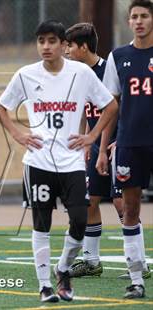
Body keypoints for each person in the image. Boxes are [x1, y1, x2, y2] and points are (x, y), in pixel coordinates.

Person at [0, 20, 118, 302]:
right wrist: (17, 133)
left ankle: (62, 267)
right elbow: (2, 107)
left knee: (78, 219)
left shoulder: (81, 73)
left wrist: (93, 137)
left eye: (52, 41)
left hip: (72, 162)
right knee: (42, 222)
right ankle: (44, 286)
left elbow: (110, 105)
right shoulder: (26, 75)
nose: (46, 47)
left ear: (64, 45)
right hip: (38, 161)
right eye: (41, 41)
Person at [65, 22, 151, 280]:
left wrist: (117, 139)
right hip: (95, 145)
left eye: (70, 45)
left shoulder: (108, 67)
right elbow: (82, 110)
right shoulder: (76, 74)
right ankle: (91, 261)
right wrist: (85, 142)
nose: (66, 50)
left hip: (119, 143)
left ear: (82, 46)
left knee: (122, 203)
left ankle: (139, 263)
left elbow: (122, 105)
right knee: (88, 198)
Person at [102, 0, 153, 299]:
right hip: (130, 143)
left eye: (144, 16)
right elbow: (111, 105)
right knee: (130, 209)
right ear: (128, 21)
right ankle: (137, 279)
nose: (139, 21)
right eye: (134, 17)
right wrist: (101, 149)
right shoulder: (118, 56)